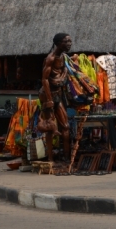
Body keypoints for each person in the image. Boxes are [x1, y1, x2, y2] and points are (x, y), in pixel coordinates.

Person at [38, 33, 72, 162]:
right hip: (48, 95)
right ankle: (51, 159)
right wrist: (49, 99)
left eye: (70, 41)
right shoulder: (50, 58)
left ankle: (67, 159)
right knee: (50, 127)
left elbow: (62, 73)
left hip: (58, 93)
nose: (69, 44)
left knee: (65, 127)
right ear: (58, 43)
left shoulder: (63, 57)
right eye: (66, 41)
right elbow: (45, 80)